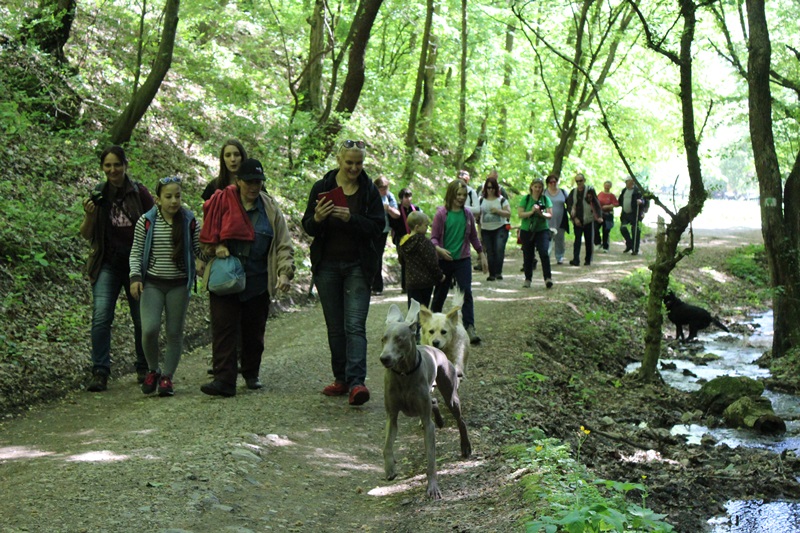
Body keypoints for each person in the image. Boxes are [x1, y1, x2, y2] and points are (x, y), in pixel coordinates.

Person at [199, 158, 295, 397]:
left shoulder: (271, 209)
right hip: (224, 278)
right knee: (223, 328)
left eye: (258, 182)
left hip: (257, 280)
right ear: (239, 181)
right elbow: (207, 235)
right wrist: (217, 246)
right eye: (249, 182)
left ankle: (251, 372)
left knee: (253, 332)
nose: (254, 187)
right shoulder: (222, 201)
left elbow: (283, 244)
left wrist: (285, 272)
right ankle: (224, 380)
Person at [301, 140, 384, 406]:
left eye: (359, 163)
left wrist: (352, 219)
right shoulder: (322, 187)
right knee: (335, 327)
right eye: (349, 162)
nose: (354, 168)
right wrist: (317, 218)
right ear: (339, 160)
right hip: (327, 266)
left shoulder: (369, 190)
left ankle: (357, 382)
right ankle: (341, 379)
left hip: (358, 266)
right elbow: (307, 226)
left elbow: (378, 226)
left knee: (355, 326)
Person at [80, 146, 155, 392]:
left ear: (125, 165)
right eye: (108, 166)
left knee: (141, 319)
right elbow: (86, 234)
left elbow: (155, 224)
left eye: (117, 165)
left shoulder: (139, 193)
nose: (113, 170)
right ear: (103, 168)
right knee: (101, 317)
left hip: (136, 265)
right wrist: (90, 215)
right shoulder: (98, 194)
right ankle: (100, 370)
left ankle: (144, 367)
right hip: (108, 263)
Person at [129, 176, 204, 397]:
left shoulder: (190, 221)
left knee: (174, 332)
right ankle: (153, 369)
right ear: (158, 199)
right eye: (168, 196)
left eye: (177, 196)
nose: (173, 201)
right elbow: (136, 251)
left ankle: (167, 378)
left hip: (179, 285)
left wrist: (204, 258)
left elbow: (200, 249)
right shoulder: (147, 221)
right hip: (152, 283)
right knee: (149, 329)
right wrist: (135, 277)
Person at [430, 180, 488, 345]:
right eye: (459, 195)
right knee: (440, 293)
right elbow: (433, 238)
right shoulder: (442, 214)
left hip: (463, 259)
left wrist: (481, 254)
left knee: (466, 292)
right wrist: (439, 250)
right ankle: (431, 327)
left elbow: (473, 237)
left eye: (464, 195)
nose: (462, 198)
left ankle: (470, 326)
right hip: (444, 260)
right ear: (451, 195)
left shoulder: (467, 215)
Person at [397, 211, 444, 309]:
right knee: (423, 310)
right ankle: (421, 324)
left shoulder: (403, 243)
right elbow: (432, 262)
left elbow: (402, 261)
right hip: (425, 283)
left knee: (413, 310)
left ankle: (413, 324)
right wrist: (440, 276)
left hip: (411, 283)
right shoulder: (425, 243)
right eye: (426, 225)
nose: (427, 228)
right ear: (417, 227)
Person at [518, 178, 553, 289]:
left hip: (542, 230)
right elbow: (520, 214)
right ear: (531, 187)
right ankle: (528, 279)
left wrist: (541, 213)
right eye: (535, 187)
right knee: (528, 255)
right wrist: (532, 212)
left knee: (544, 253)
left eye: (540, 187)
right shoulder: (526, 199)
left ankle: (548, 278)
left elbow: (550, 215)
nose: (537, 189)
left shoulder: (545, 199)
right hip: (527, 230)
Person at [479, 176, 511, 281]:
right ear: (485, 189)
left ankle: (498, 272)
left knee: (499, 250)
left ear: (496, 188)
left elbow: (508, 213)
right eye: (488, 187)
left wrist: (498, 211)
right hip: (486, 229)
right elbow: (477, 215)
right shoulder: (481, 200)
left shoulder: (502, 200)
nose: (490, 190)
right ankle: (491, 274)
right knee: (490, 251)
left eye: (492, 187)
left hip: (500, 228)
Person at [566, 173, 602, 266]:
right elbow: (569, 206)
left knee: (589, 241)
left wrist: (599, 216)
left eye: (580, 181)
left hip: (589, 219)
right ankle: (576, 260)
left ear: (584, 180)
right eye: (577, 181)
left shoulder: (590, 190)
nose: (579, 183)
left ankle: (588, 260)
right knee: (577, 241)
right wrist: (574, 218)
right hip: (577, 220)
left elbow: (596, 203)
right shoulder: (573, 192)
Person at [371, 176, 399, 295]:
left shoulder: (389, 196)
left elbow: (397, 214)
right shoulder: (370, 194)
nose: (384, 191)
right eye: (381, 188)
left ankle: (377, 286)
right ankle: (369, 284)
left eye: (385, 188)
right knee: (369, 256)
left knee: (377, 256)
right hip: (370, 229)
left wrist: (388, 209)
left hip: (383, 230)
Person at [389, 187, 420, 293]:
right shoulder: (396, 209)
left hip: (414, 238)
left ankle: (414, 283)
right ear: (401, 198)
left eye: (410, 196)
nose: (408, 199)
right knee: (404, 261)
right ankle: (404, 286)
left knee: (414, 261)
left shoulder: (415, 209)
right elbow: (393, 223)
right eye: (406, 197)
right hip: (401, 238)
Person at [544, 173, 570, 265]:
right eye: (551, 182)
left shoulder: (563, 192)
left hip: (560, 220)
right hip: (546, 220)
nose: (553, 183)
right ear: (547, 183)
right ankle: (546, 256)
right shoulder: (544, 193)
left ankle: (560, 257)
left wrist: (573, 215)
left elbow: (569, 204)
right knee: (546, 239)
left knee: (560, 239)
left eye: (554, 181)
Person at [618, 176, 648, 255]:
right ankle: (629, 244)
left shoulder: (638, 191)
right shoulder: (624, 190)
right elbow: (620, 200)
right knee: (623, 228)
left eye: (632, 181)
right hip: (625, 214)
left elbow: (644, 200)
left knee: (635, 231)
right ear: (626, 182)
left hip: (635, 214)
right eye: (629, 181)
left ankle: (635, 249)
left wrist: (641, 201)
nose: (631, 183)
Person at [596, 180, 619, 253]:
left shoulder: (611, 195)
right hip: (600, 214)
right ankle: (598, 243)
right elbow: (595, 202)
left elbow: (616, 204)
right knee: (595, 228)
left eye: (608, 185)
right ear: (603, 185)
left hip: (608, 215)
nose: (607, 187)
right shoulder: (600, 194)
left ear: (610, 187)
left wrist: (608, 206)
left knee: (606, 231)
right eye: (606, 185)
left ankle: (605, 247)